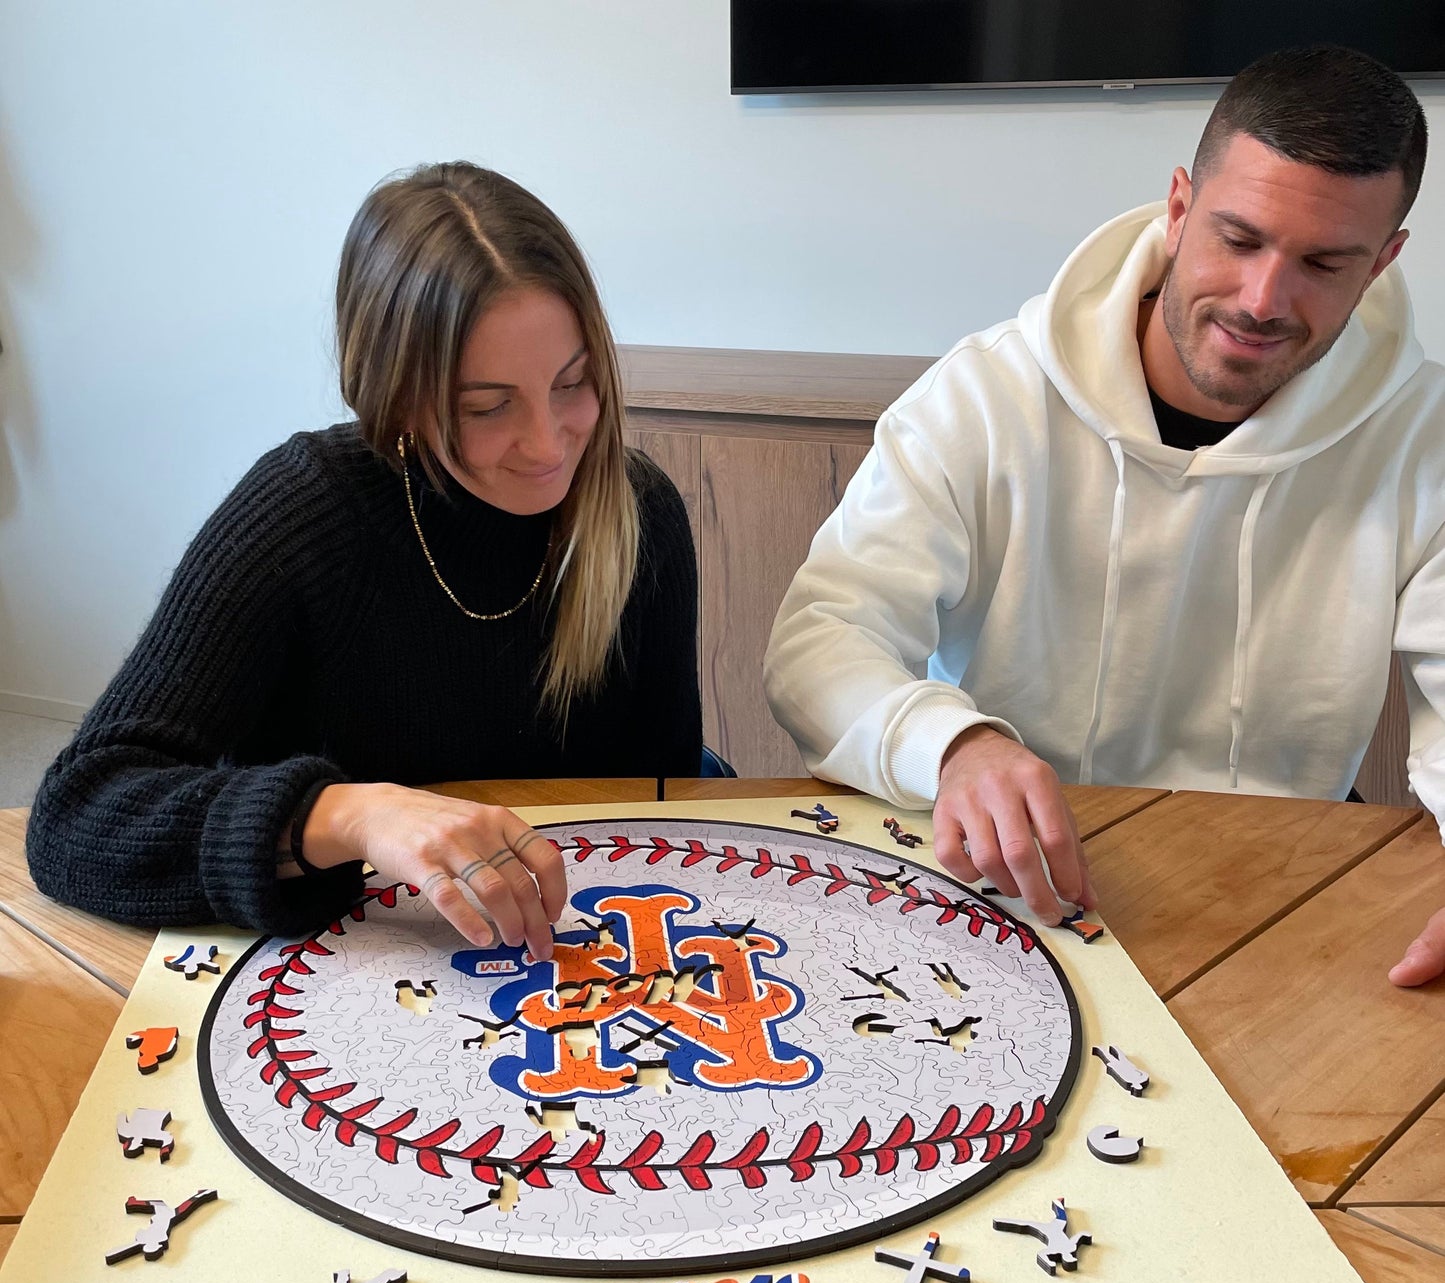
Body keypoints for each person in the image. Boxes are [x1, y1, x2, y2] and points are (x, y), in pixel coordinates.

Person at [765, 46, 1445, 985]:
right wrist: (955, 744)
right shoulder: (984, 397)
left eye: (1323, 263)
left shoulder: (1424, 435)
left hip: (1281, 895)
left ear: (1383, 262)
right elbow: (819, 639)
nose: (1261, 300)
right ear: (1177, 207)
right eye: (1237, 239)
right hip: (1009, 891)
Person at [26, 163, 701, 959]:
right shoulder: (305, 511)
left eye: (573, 383)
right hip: (352, 960)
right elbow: (76, 815)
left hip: (561, 957)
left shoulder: (638, 514)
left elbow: (662, 812)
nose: (549, 443)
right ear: (393, 393)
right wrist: (351, 815)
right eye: (485, 407)